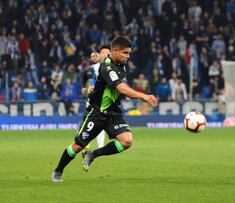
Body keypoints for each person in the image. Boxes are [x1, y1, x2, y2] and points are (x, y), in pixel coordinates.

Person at [52, 36, 158, 182]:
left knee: (127, 141)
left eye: (129, 53)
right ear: (114, 51)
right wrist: (144, 96)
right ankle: (58, 170)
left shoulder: (121, 66)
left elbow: (122, 90)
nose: (128, 56)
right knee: (77, 146)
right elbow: (122, 88)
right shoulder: (107, 67)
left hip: (113, 113)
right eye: (125, 53)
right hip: (96, 113)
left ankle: (92, 155)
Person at [81, 45, 111, 149]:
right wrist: (84, 88)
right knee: (89, 120)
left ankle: (100, 145)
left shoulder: (106, 66)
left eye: (96, 55)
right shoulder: (88, 70)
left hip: (101, 99)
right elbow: (85, 82)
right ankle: (86, 141)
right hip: (90, 98)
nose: (94, 57)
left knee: (99, 121)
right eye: (92, 56)